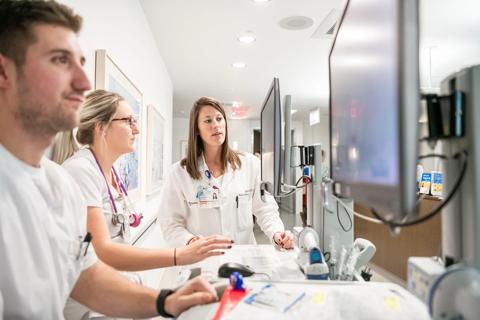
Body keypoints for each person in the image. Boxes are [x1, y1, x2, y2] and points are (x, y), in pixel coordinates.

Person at [0, 1, 217, 318]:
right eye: (60, 60)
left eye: (81, 63)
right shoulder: (62, 176)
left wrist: (165, 301)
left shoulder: (57, 183)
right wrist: (176, 256)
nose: (84, 82)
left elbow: (86, 278)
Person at [52, 89, 232, 271]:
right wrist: (180, 255)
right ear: (101, 127)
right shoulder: (80, 171)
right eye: (128, 121)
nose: (136, 130)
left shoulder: (110, 172)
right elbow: (101, 251)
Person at [159, 96, 294, 248]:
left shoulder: (250, 164)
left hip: (244, 259)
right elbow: (170, 223)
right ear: (196, 129)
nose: (216, 125)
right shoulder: (179, 173)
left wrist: (277, 233)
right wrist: (190, 241)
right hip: (202, 260)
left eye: (219, 118)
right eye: (208, 120)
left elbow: (265, 209)